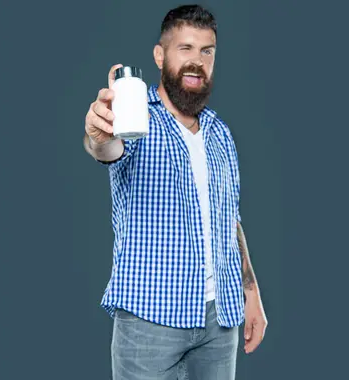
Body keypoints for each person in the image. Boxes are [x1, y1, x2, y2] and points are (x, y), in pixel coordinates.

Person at [82, 5, 267, 380]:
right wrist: (98, 135)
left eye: (206, 51)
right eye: (185, 48)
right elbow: (107, 149)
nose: (196, 62)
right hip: (150, 321)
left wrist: (252, 294)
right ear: (160, 55)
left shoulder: (220, 133)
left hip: (220, 321)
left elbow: (228, 219)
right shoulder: (135, 118)